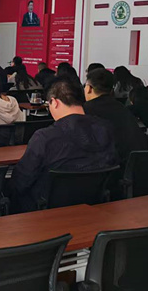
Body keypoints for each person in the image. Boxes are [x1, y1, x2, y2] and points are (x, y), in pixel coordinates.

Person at [10, 78, 117, 212]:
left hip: (46, 213)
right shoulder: (106, 128)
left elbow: (20, 180)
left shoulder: (44, 137)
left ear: (54, 102)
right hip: (94, 208)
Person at [84, 68, 148, 162]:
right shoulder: (122, 108)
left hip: (110, 165)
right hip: (136, 162)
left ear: (89, 88)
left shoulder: (85, 110)